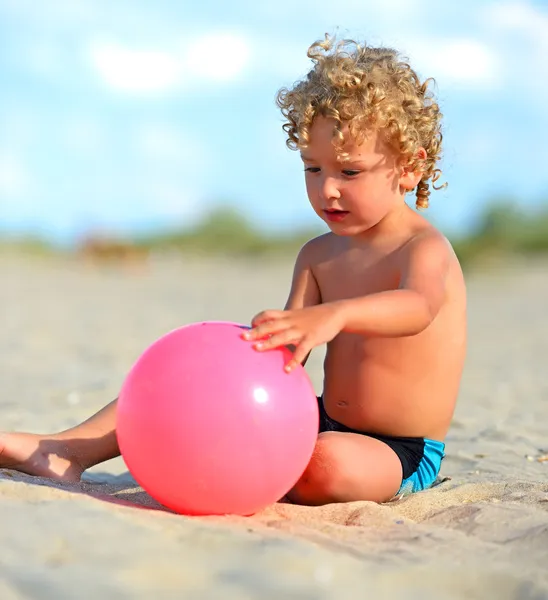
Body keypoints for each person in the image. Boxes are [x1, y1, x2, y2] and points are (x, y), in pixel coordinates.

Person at [0, 35, 466, 505]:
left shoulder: (422, 248)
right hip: (318, 418)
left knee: (324, 465)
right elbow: (287, 354)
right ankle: (66, 449)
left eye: (349, 172)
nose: (327, 190)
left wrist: (336, 315)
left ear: (408, 168)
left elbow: (418, 308)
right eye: (312, 169)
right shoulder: (317, 255)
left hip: (397, 449)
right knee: (187, 378)